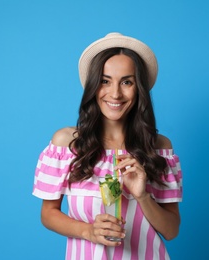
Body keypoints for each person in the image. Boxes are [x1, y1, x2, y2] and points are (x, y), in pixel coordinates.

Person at [32, 32, 183, 260]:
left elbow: (171, 231)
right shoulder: (67, 145)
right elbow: (48, 214)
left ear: (138, 87)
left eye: (127, 82)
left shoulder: (158, 148)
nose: (115, 93)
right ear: (94, 86)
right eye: (105, 81)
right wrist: (88, 231)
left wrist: (142, 196)